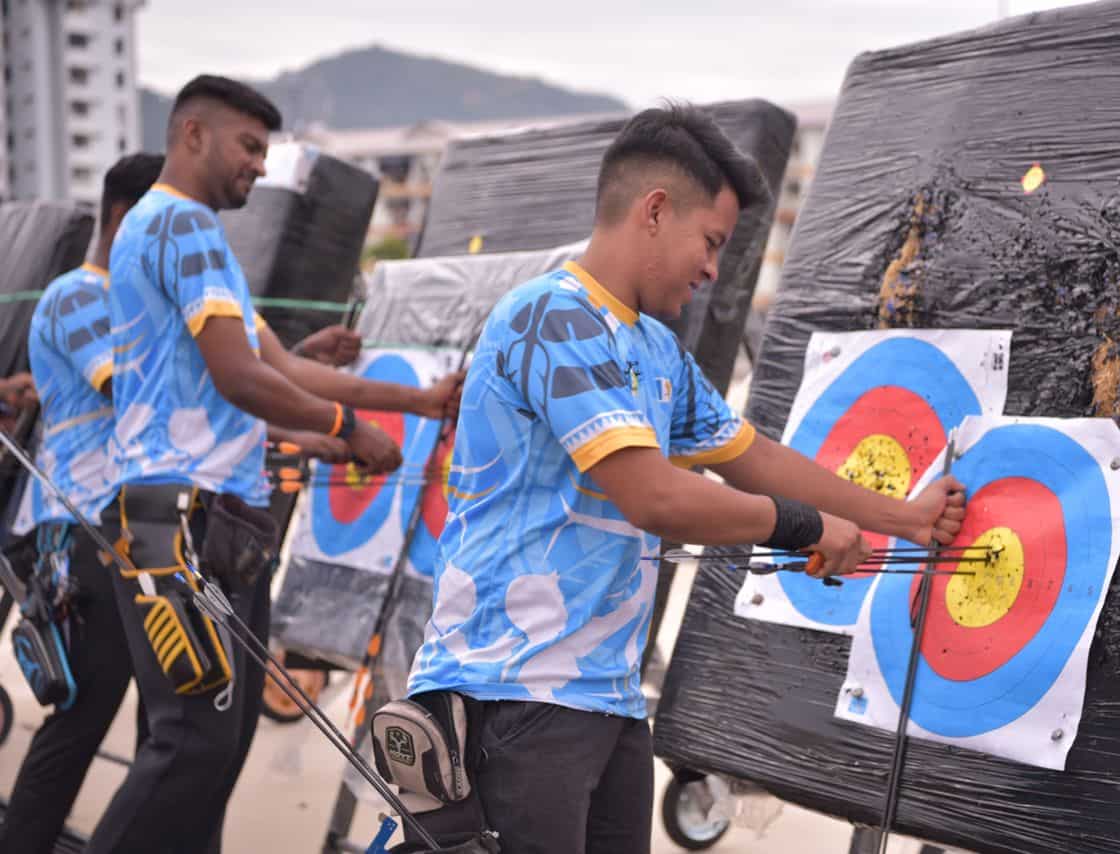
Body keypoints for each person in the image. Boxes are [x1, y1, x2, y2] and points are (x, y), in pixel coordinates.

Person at [402, 104, 967, 854]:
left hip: (605, 699)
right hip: (510, 696)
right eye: (711, 243)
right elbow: (654, 495)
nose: (711, 268)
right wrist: (805, 528)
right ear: (655, 211)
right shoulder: (553, 318)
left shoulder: (655, 351)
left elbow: (754, 457)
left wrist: (903, 518)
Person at [90, 74, 461, 854]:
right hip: (182, 520)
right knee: (191, 746)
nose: (260, 166)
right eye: (249, 146)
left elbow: (276, 367)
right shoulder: (182, 225)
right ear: (192, 134)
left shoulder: (184, 235)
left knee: (215, 747)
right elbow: (241, 375)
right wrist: (348, 428)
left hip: (208, 520)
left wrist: (422, 402)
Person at [0, 153, 164, 854]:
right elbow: (131, 395)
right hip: (81, 532)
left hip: (122, 530)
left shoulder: (127, 305)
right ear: (126, 221)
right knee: (80, 720)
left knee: (162, 728)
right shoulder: (80, 296)